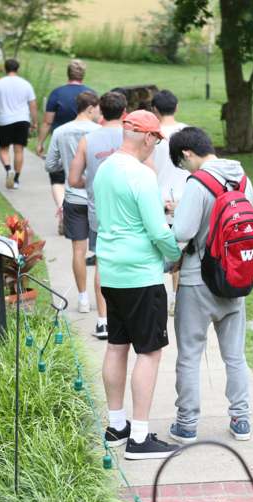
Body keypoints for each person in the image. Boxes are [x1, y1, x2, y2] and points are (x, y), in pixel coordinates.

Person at [93, 110, 181, 460]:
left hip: (111, 271)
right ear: (148, 138)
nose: (157, 147)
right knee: (149, 352)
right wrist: (176, 253)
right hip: (141, 275)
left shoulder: (106, 168)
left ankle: (117, 426)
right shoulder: (142, 175)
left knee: (116, 346)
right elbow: (159, 232)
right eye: (157, 140)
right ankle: (140, 437)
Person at [165, 126, 253, 444]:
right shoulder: (243, 179)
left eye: (182, 162)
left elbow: (184, 232)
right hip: (233, 278)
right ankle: (241, 419)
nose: (184, 169)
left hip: (196, 281)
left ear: (188, 153)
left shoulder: (198, 182)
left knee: (189, 354)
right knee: (235, 355)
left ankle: (186, 424)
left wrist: (172, 225)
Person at [67, 91, 128, 339]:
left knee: (102, 263)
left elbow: (72, 179)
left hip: (98, 211)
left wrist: (90, 183)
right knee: (127, 261)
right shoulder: (131, 137)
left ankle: (103, 321)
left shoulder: (88, 140)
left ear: (100, 111)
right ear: (125, 112)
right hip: (128, 210)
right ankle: (126, 316)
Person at [44, 91, 101, 317]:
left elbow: (50, 165)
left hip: (73, 197)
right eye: (96, 109)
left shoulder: (60, 131)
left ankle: (82, 297)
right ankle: (102, 299)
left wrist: (67, 166)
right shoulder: (99, 133)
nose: (98, 113)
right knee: (100, 252)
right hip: (98, 199)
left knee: (78, 249)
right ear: (90, 108)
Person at [37, 59, 95, 233]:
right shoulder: (91, 94)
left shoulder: (57, 93)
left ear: (68, 73)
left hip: (62, 141)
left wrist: (40, 142)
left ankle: (62, 208)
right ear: (82, 74)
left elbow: (47, 121)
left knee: (57, 178)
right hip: (87, 144)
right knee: (81, 178)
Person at [150, 89, 189, 314]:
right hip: (184, 197)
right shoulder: (188, 132)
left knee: (159, 249)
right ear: (177, 106)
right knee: (181, 250)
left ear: (154, 109)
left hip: (158, 198)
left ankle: (161, 297)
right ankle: (177, 296)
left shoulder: (153, 135)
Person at [0, 58, 38, 190]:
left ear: (5, 68)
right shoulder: (26, 84)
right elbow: (32, 105)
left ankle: (8, 169)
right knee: (19, 150)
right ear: (18, 69)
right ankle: (16, 179)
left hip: (4, 120)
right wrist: (34, 122)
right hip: (22, 120)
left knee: (4, 149)